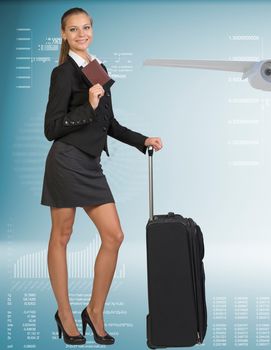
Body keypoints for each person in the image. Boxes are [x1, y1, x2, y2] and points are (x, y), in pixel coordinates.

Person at [41, 7, 162, 345]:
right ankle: (65, 314)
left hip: (91, 165)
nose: (81, 34)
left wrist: (143, 140)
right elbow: (51, 129)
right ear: (64, 35)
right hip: (65, 162)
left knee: (114, 236)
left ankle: (94, 310)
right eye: (73, 30)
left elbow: (110, 125)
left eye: (86, 28)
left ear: (92, 30)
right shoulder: (62, 73)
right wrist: (87, 107)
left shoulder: (99, 70)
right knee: (61, 237)